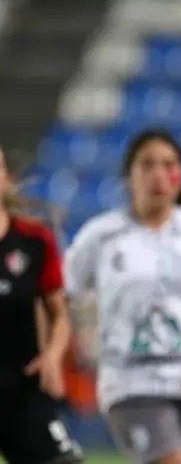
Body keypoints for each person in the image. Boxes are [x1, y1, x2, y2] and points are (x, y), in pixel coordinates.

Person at [65, 130, 181, 464]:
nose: (159, 175)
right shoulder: (100, 235)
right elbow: (61, 295)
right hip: (132, 384)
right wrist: (64, 349)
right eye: (147, 165)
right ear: (128, 175)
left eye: (169, 165)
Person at [0, 146, 83, 464]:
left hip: (24, 385)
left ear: (5, 178)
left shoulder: (35, 240)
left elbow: (60, 313)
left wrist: (52, 356)